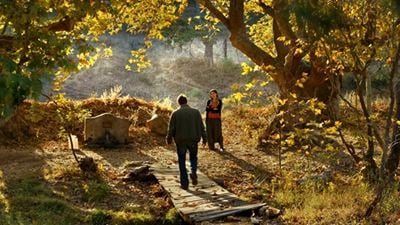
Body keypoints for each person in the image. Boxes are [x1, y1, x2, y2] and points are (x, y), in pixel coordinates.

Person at [166, 94, 207, 190]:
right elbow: (202, 127)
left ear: (179, 103)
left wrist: (168, 139)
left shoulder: (175, 113)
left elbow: (171, 129)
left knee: (181, 161)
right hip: (193, 140)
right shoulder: (196, 112)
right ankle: (193, 172)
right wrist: (205, 138)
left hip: (181, 141)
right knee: (193, 158)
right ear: (186, 101)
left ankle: (184, 184)